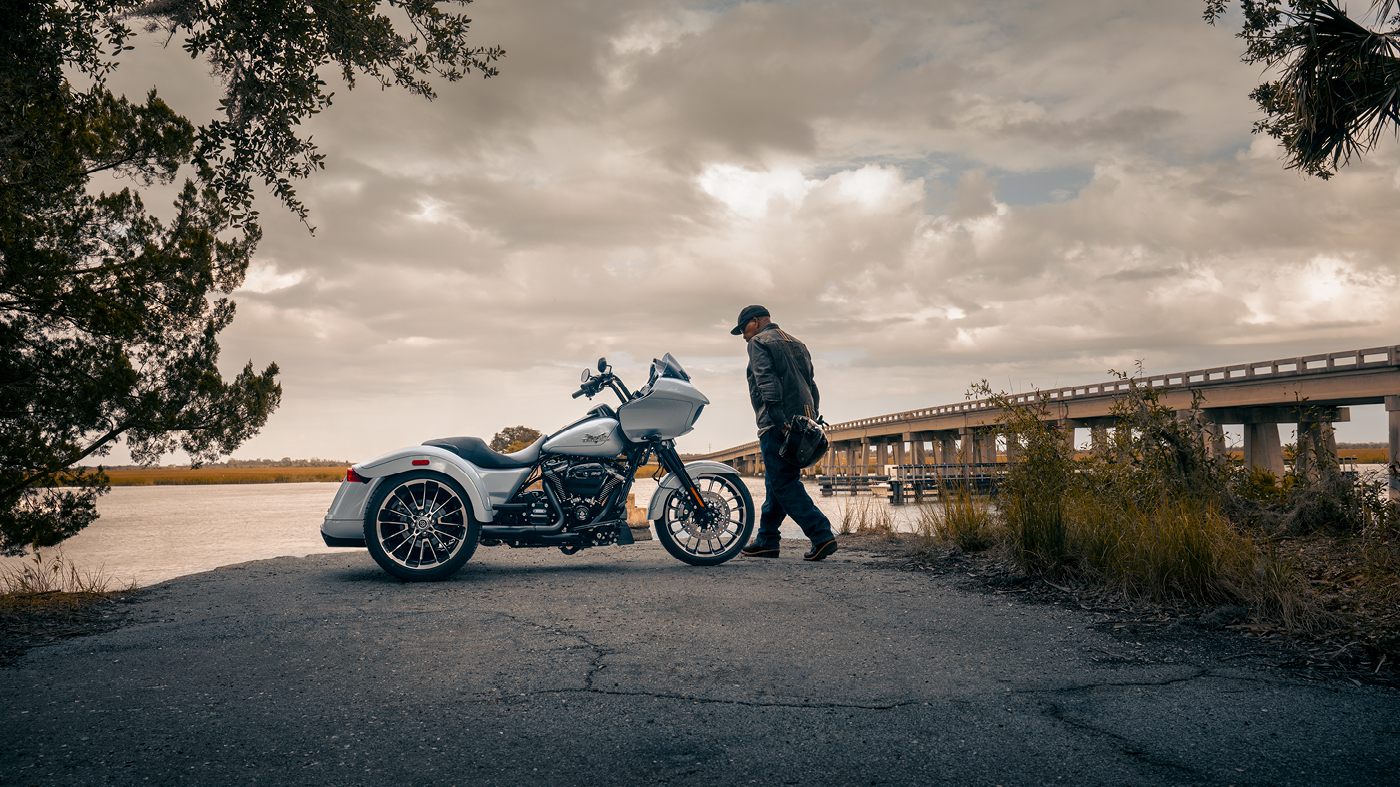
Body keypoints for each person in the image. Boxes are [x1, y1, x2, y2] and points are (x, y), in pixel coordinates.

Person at [730, 305, 838, 561]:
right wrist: (812, 418)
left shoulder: (759, 342)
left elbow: (766, 380)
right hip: (803, 420)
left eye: (744, 329)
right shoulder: (798, 343)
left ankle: (821, 534)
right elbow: (811, 384)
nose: (744, 336)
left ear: (755, 322)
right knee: (776, 482)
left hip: (778, 422)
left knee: (784, 483)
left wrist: (778, 420)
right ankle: (767, 540)